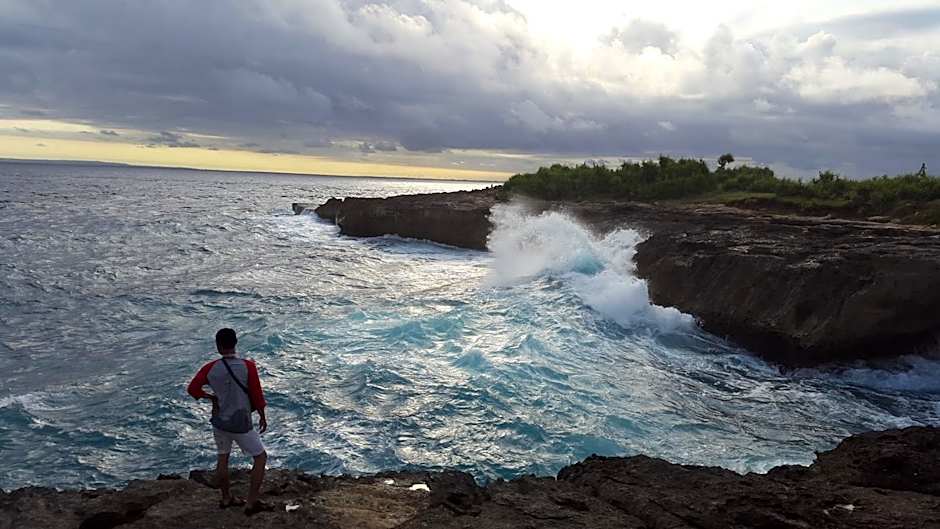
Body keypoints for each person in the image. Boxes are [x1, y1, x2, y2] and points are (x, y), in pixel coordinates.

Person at [187, 328, 272, 515]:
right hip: (241, 422)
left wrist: (210, 397)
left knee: (223, 457)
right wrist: (262, 415)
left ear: (218, 346)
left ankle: (226, 498)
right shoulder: (247, 366)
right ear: (235, 343)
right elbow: (257, 395)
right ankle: (251, 502)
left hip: (220, 421)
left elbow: (192, 389)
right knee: (260, 457)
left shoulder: (210, 368)